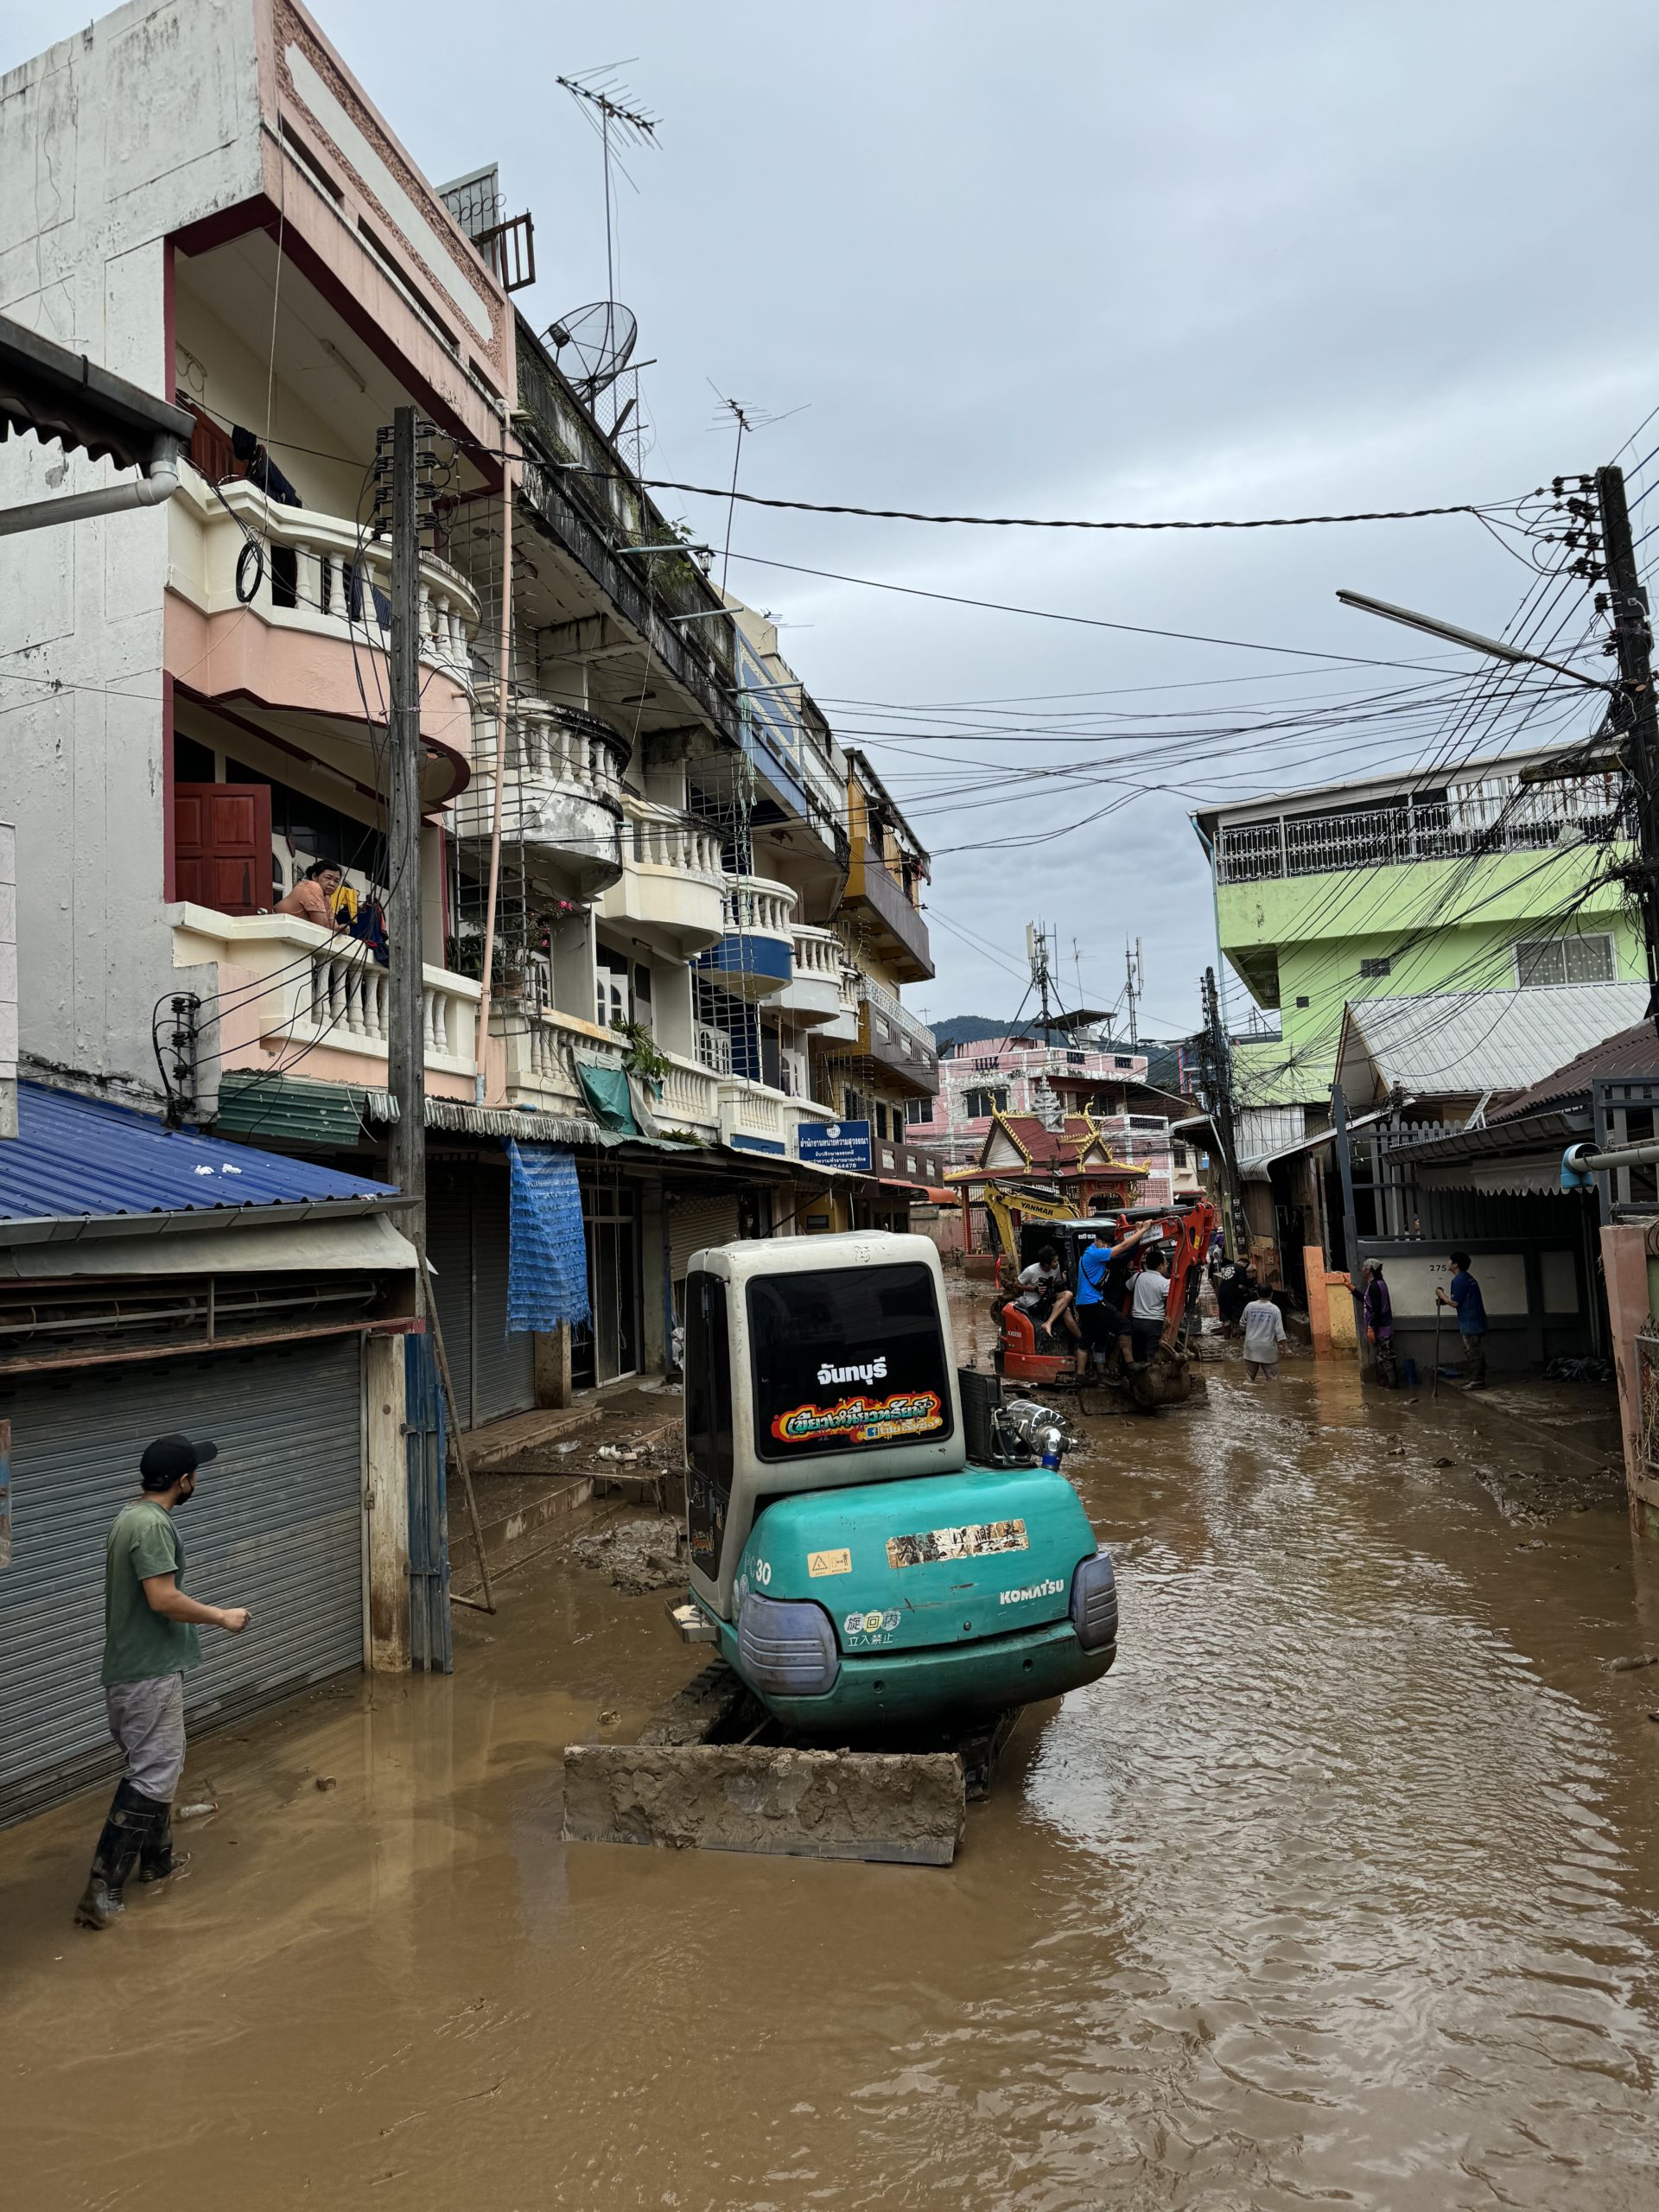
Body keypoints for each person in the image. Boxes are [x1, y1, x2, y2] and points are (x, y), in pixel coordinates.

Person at [75, 1435, 251, 1931]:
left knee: (157, 1767)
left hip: (133, 1671)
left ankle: (156, 1863)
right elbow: (162, 1597)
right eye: (196, 1472)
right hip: (147, 1674)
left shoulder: (130, 1517)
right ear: (183, 1481)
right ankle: (100, 1891)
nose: (199, 1479)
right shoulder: (152, 1526)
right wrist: (221, 1617)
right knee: (154, 1773)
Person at [1075, 1220, 1156, 1377]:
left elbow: (1124, 1252)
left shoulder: (1088, 1253)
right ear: (1096, 1240)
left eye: (1108, 1244)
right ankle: (1131, 1365)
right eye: (1103, 1243)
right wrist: (1143, 1230)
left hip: (1083, 1303)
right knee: (1125, 1325)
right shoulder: (1096, 1254)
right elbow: (1123, 1248)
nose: (1105, 1247)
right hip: (1093, 1302)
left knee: (1092, 1337)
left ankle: (1082, 1377)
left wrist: (1136, 1233)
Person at [1436, 1251, 1487, 1389]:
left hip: (1470, 1321)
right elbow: (1460, 1299)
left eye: (1450, 1260)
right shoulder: (1468, 1278)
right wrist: (1445, 1300)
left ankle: (1477, 1380)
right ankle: (1474, 1379)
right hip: (1474, 1319)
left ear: (1455, 1264)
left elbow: (1455, 1303)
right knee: (1472, 1349)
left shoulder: (1459, 1280)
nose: (1448, 1263)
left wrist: (1441, 1294)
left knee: (1473, 1350)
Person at [1015, 1244, 1081, 1352]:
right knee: (1066, 1311)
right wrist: (1034, 1289)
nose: (1057, 1263)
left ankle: (1049, 1323)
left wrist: (1064, 1280)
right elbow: (1016, 1284)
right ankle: (1081, 1340)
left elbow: (1056, 1283)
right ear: (1046, 1264)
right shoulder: (1031, 1271)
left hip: (1049, 1297)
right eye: (1055, 1262)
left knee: (1068, 1294)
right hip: (1035, 1303)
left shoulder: (1056, 1267)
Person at [1128, 1248, 1171, 1365]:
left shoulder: (1137, 1277)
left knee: (1138, 1356)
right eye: (1166, 1263)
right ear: (1160, 1266)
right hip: (1154, 1324)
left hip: (1136, 1322)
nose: (1167, 1266)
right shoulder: (1165, 1283)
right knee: (1151, 1357)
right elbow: (1168, 1303)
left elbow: (1127, 1288)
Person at [275, 860, 345, 929]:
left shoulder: (326, 897)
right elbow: (323, 927)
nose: (332, 884)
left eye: (336, 881)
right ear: (314, 876)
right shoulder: (312, 886)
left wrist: (341, 929)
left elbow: (333, 928)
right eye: (328, 878)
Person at [1362, 1260, 1397, 1387]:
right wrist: (1353, 1290)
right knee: (1384, 1358)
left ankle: (1392, 1387)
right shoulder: (1377, 1284)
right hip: (1382, 1327)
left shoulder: (1375, 1286)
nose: (1362, 1270)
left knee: (1386, 1359)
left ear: (1369, 1270)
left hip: (1381, 1328)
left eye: (1364, 1268)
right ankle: (1387, 1387)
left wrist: (1371, 1327)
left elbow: (1376, 1309)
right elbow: (1368, 1301)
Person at [1242, 1285, 1287, 1379]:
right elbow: (1279, 1331)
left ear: (1257, 1294)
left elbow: (1242, 1325)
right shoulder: (1275, 1309)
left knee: (1249, 1377)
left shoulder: (1249, 1306)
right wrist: (1285, 1348)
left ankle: (1248, 1393)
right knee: (1273, 1379)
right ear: (1271, 1294)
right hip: (1268, 1348)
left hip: (1251, 1346)